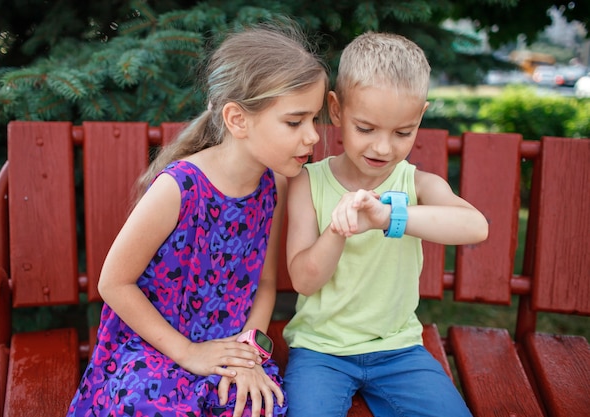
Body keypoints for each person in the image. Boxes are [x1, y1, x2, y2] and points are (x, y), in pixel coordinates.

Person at [67, 22, 327, 417]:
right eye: (295, 122)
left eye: (314, 119)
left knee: (255, 406)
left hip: (230, 347)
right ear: (238, 119)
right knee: (149, 407)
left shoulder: (274, 184)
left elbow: (266, 283)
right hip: (154, 345)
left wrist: (249, 354)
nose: (313, 137)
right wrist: (188, 353)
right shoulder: (180, 187)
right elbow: (114, 283)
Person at [282, 32, 488, 417]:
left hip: (399, 350)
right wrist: (339, 229)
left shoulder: (418, 184)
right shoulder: (307, 183)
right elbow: (305, 281)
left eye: (402, 133)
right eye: (366, 128)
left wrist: (390, 217)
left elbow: (475, 226)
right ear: (337, 110)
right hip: (321, 349)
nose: (383, 148)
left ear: (420, 117)